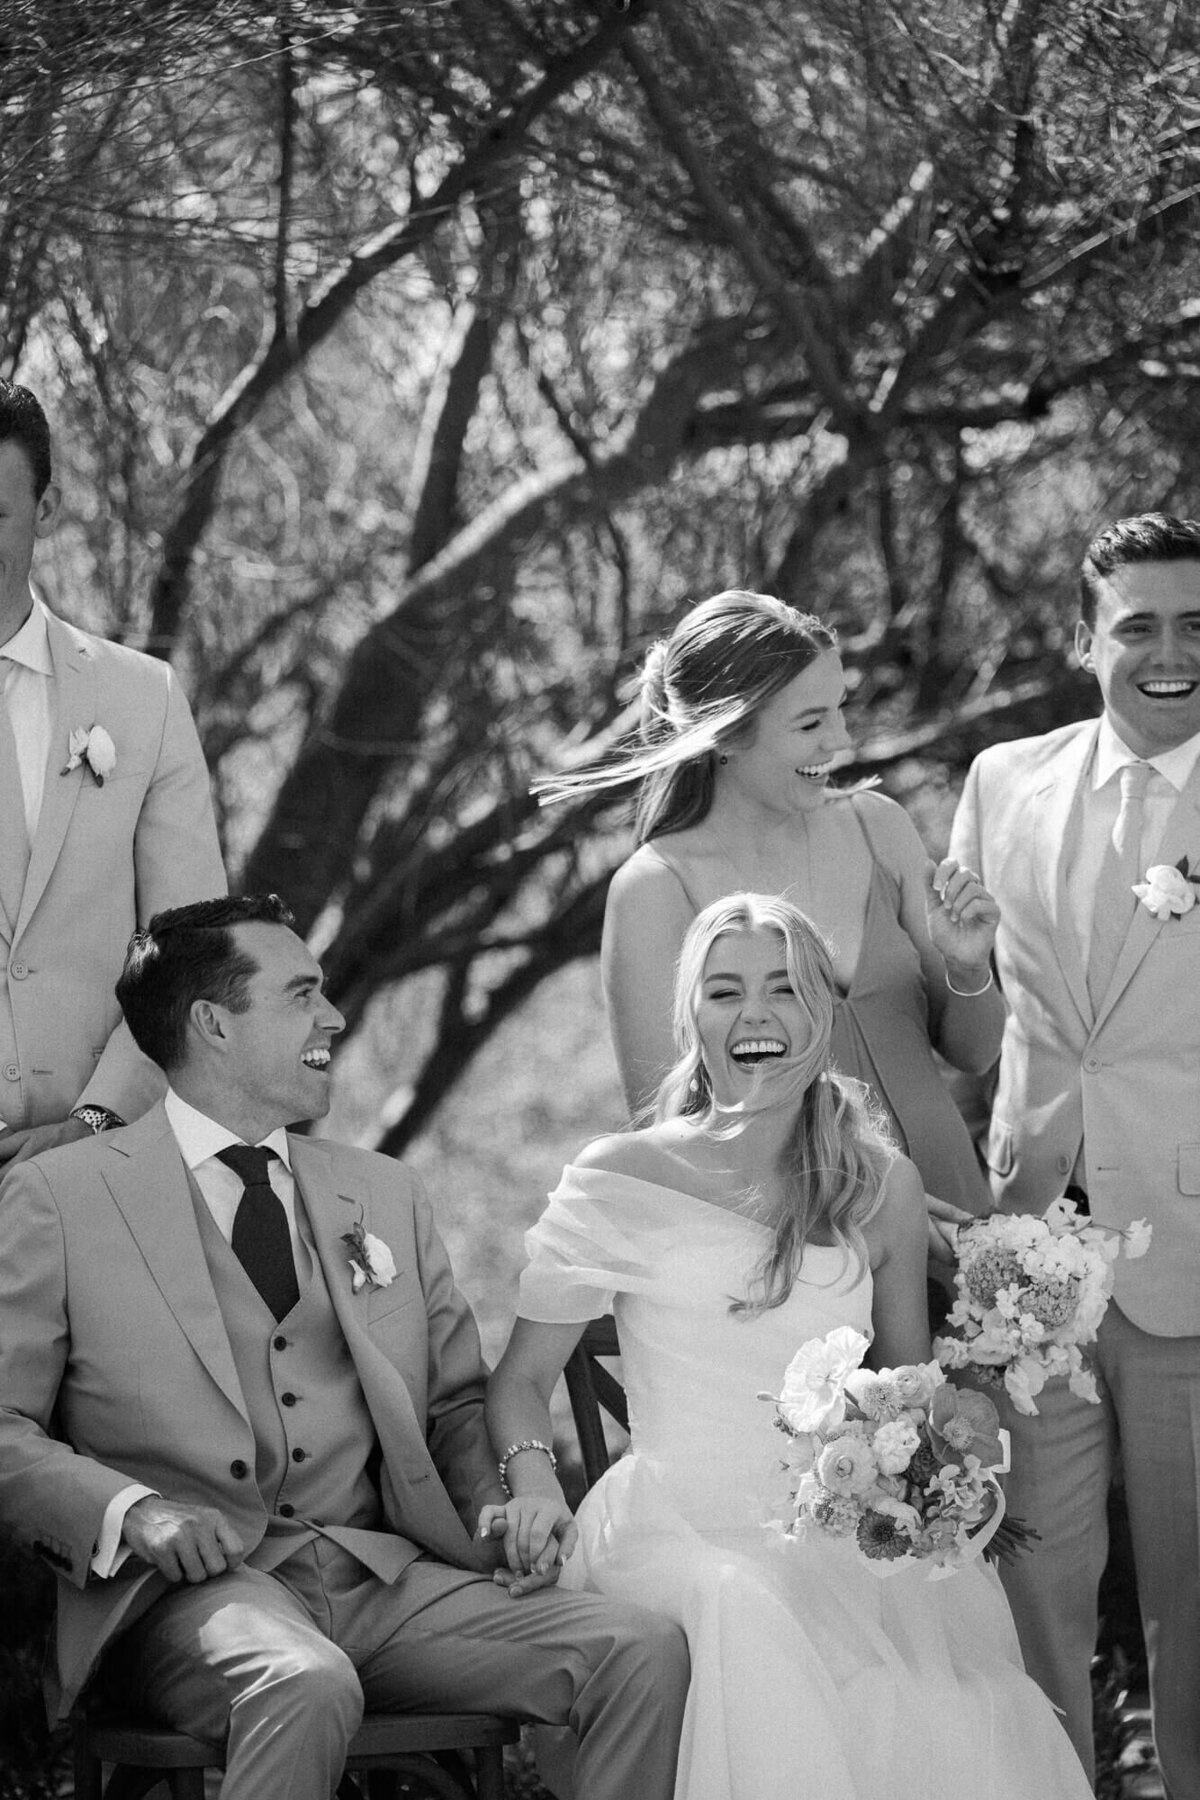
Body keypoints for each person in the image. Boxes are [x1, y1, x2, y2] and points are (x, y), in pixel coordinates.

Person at [0, 894, 687, 1800]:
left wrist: (497, 1504)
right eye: (301, 994)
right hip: (190, 1603)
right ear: (211, 1022)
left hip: (386, 1580)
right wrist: (135, 1512)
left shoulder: (383, 1193)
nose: (335, 1015)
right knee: (303, 1683)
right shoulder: (61, 1196)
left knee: (638, 1651)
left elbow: (454, 1404)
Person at [484, 893, 1091, 1800]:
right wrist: (535, 1485)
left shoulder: (879, 1182)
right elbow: (521, 1383)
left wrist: (943, 1466)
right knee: (744, 1613)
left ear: (820, 1013)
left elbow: (905, 1391)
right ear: (692, 1015)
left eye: (783, 989)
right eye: (724, 992)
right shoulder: (621, 1174)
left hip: (836, 1526)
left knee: (920, 1689)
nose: (754, 1014)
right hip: (673, 1529)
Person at [949, 511, 1200, 1798]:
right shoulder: (1003, 782)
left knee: (1192, 1598)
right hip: (1028, 1244)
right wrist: (953, 958)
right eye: (1140, 625)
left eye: (1196, 625)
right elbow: (963, 1013)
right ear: (1084, 637)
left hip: (1195, 1249)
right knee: (1033, 1580)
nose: (1173, 652)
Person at [539, 590, 1002, 1220]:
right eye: (810, 724)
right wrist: (884, 1210)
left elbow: (975, 1053)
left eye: (839, 709)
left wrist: (970, 970)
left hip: (965, 1222)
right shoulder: (655, 888)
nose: (839, 741)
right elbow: (672, 1139)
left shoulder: (879, 827)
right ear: (725, 735)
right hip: (805, 1252)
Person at [0, 378, 225, 1165]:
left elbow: (190, 947)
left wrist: (98, 1121)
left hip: (106, 1166)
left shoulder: (142, 698)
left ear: (46, 511)